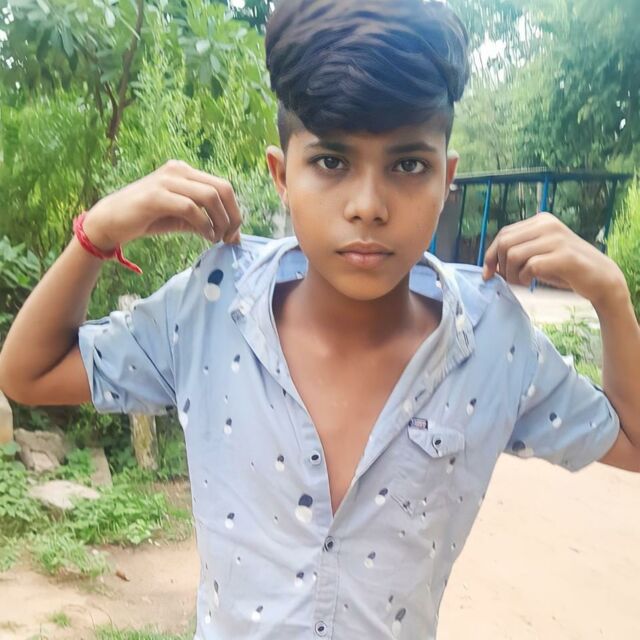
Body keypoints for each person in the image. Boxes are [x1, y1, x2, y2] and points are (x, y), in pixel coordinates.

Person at [1, 1, 639, 638]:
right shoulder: (212, 308)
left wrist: (612, 299)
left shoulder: (492, 340)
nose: (368, 206)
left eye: (408, 164)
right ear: (282, 176)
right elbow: (28, 373)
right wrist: (96, 234)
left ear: (447, 178)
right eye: (332, 161)